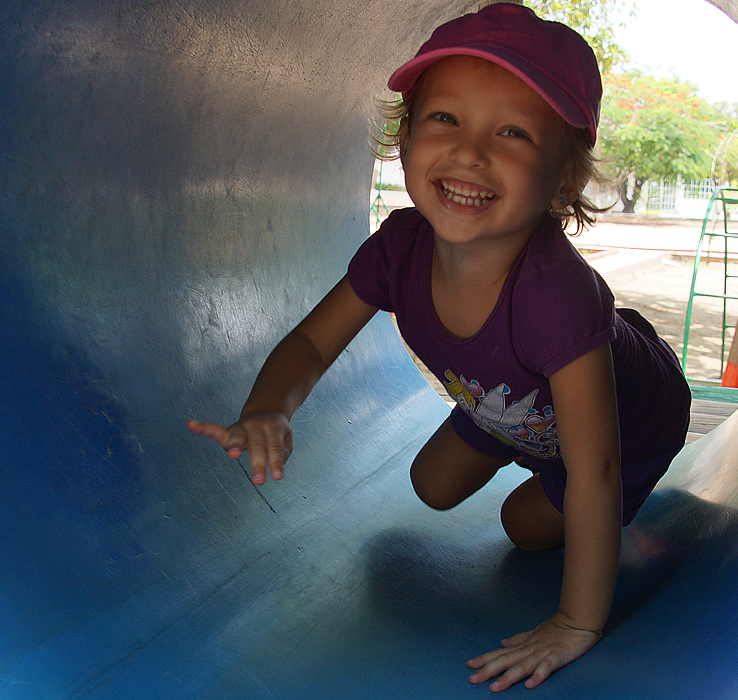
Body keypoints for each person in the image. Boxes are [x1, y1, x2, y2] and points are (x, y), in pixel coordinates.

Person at [188, 3, 691, 692]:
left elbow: (596, 469)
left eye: (512, 132)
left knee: (524, 526)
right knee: (431, 487)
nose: (470, 152)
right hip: (507, 402)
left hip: (625, 426)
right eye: (444, 119)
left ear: (563, 178)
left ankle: (602, 377)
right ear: (404, 139)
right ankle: (516, 428)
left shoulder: (555, 298)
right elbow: (311, 340)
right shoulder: (399, 248)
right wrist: (269, 407)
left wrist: (576, 622)